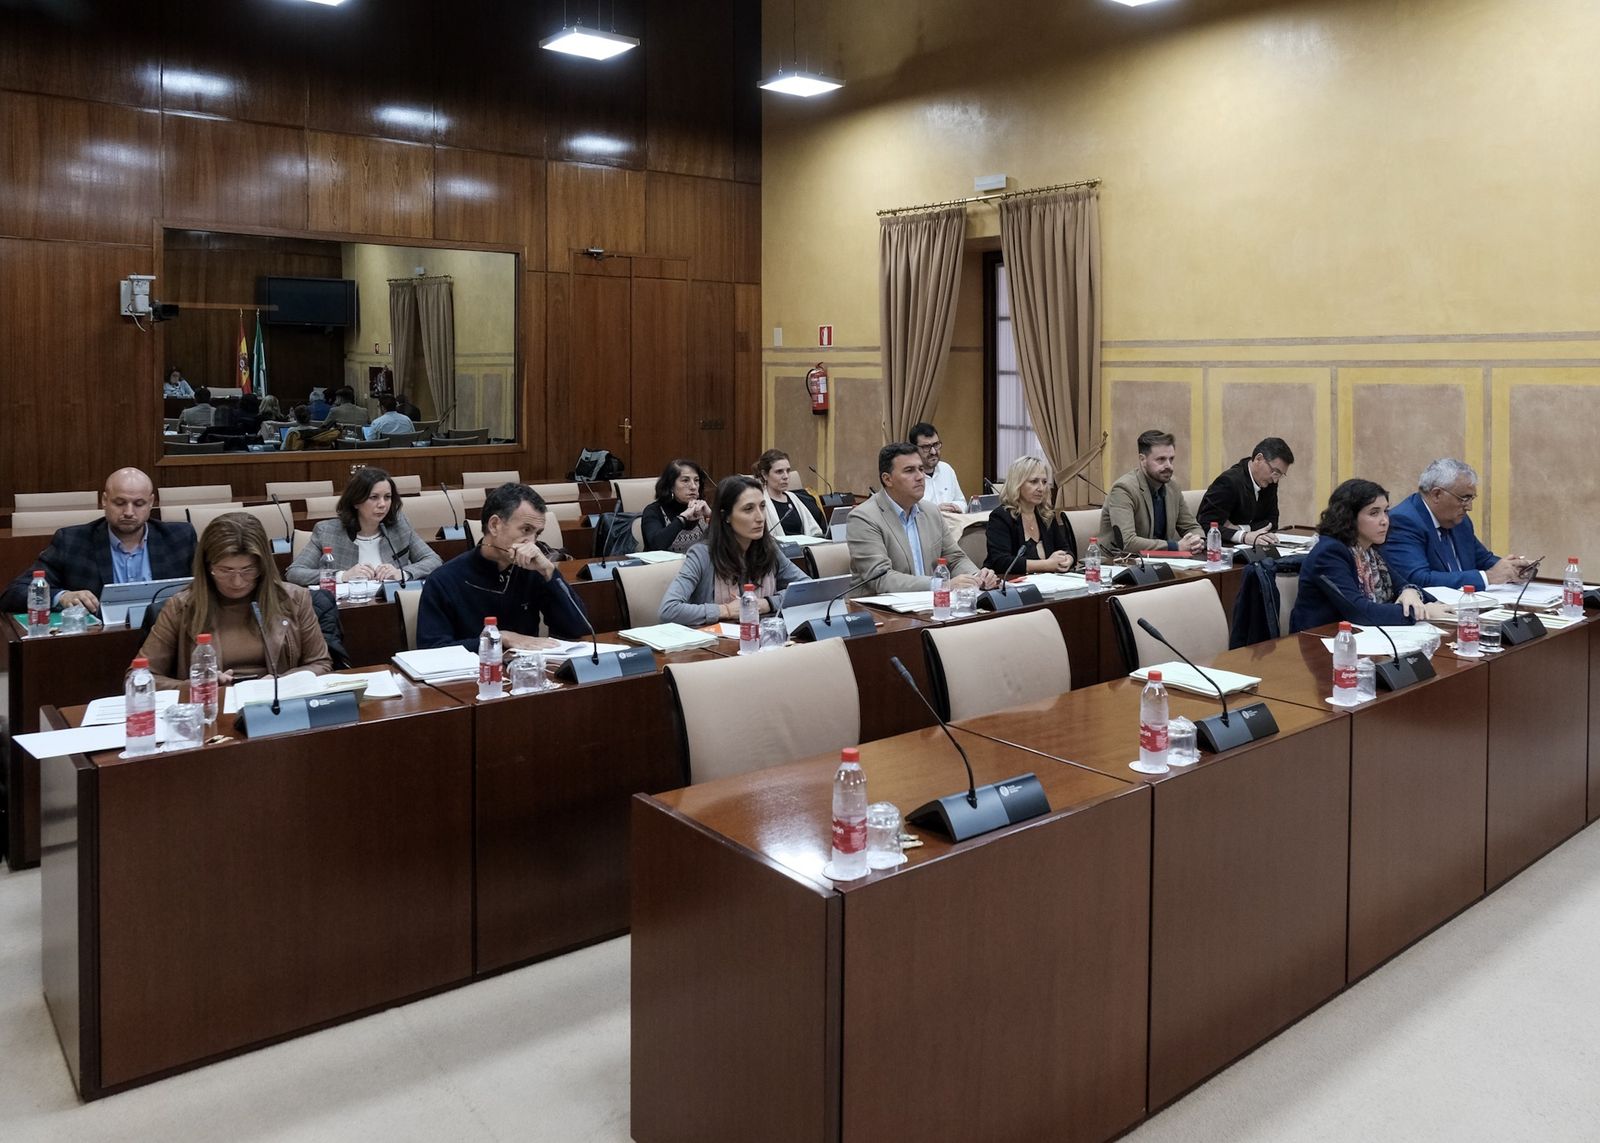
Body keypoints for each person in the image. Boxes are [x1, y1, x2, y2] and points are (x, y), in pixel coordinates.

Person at [138, 512, 332, 689]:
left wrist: (282, 682)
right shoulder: (180, 607)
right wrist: (196, 686)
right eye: (225, 570)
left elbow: (321, 664)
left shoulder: (294, 599)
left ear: (262, 566)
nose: (237, 582)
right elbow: (140, 677)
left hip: (277, 705)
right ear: (207, 567)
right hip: (211, 710)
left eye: (248, 570)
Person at [416, 483, 590, 650]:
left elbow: (578, 628)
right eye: (526, 530)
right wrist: (500, 638)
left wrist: (549, 571)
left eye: (537, 533)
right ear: (494, 525)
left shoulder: (533, 570)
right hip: (471, 676)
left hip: (526, 672)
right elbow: (432, 650)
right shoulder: (443, 580)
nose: (532, 542)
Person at [1, 467, 196, 613]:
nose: (129, 512)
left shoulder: (179, 538)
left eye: (139, 504)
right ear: (104, 501)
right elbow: (13, 594)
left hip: (166, 638)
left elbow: (210, 586)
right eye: (119, 503)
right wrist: (62, 597)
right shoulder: (72, 542)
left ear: (151, 503)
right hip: (100, 644)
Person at [1290, 479, 1452, 631]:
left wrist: (1410, 591)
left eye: (1385, 511)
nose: (1385, 521)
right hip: (1319, 642)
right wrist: (1421, 613)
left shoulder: (1370, 551)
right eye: (1374, 513)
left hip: (1360, 638)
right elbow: (1360, 611)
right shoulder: (1329, 553)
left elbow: (1403, 585)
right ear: (1349, 517)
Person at [846, 442, 999, 593]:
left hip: (928, 606)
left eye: (921, 469)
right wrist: (941, 584)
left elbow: (955, 559)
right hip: (878, 611)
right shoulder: (864, 518)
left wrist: (977, 577)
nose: (920, 477)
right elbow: (880, 578)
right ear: (887, 479)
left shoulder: (931, 511)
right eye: (909, 470)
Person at [659, 476, 812, 626]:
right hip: (717, 646)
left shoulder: (769, 547)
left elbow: (809, 589)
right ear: (726, 516)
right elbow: (669, 610)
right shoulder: (702, 555)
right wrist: (725, 610)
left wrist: (767, 603)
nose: (760, 517)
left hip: (763, 639)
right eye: (748, 509)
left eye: (762, 506)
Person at [1384, 458, 1533, 589]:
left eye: (1471, 499)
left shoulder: (1459, 520)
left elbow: (1483, 559)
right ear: (1437, 494)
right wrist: (1489, 577)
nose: (1469, 507)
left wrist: (1513, 568)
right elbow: (1418, 579)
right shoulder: (1404, 521)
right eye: (1464, 498)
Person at [284, 467, 441, 586]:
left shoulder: (399, 525)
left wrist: (403, 573)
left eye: (387, 497)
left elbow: (433, 560)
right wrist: (342, 576)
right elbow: (294, 573)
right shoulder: (327, 532)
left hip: (389, 603)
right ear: (356, 501)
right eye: (374, 497)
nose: (382, 504)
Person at [1101, 429, 1203, 554]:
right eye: (1161, 459)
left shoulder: (1172, 486)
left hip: (1162, 562)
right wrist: (1174, 547)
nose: (1169, 466)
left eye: (1171, 459)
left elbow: (1191, 527)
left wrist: (1198, 540)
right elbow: (1127, 542)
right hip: (1120, 562)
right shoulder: (1124, 489)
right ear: (1142, 459)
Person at [984, 454, 1077, 575]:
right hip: (1013, 586)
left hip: (1049, 584)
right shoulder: (1001, 516)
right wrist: (1048, 565)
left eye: (1044, 482)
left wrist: (1068, 559)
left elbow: (1066, 549)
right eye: (1034, 482)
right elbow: (1001, 562)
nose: (1041, 488)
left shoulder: (1046, 515)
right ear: (1017, 484)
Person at [1197, 437, 1294, 546]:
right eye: (1275, 472)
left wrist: (1242, 529)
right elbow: (1206, 525)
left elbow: (1272, 523)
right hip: (1221, 552)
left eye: (1280, 475)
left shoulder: (1269, 482)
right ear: (1259, 459)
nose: (1275, 479)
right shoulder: (1229, 481)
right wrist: (1243, 536)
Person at [641, 459, 714, 552]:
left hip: (699, 566)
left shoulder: (703, 509)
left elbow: (729, 544)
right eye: (685, 480)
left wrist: (713, 516)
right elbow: (656, 545)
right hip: (665, 566)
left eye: (696, 480)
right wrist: (683, 518)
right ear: (671, 485)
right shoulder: (654, 511)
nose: (693, 487)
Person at [754, 448, 826, 538]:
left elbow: (814, 530)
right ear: (764, 475)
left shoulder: (793, 498)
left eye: (788, 471)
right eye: (779, 472)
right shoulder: (760, 502)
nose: (786, 476)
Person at [909, 421, 966, 513]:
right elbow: (908, 512)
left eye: (936, 445)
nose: (933, 452)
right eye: (926, 447)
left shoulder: (946, 469)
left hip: (952, 522)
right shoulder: (909, 476)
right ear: (914, 448)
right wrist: (936, 511)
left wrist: (955, 507)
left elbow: (961, 502)